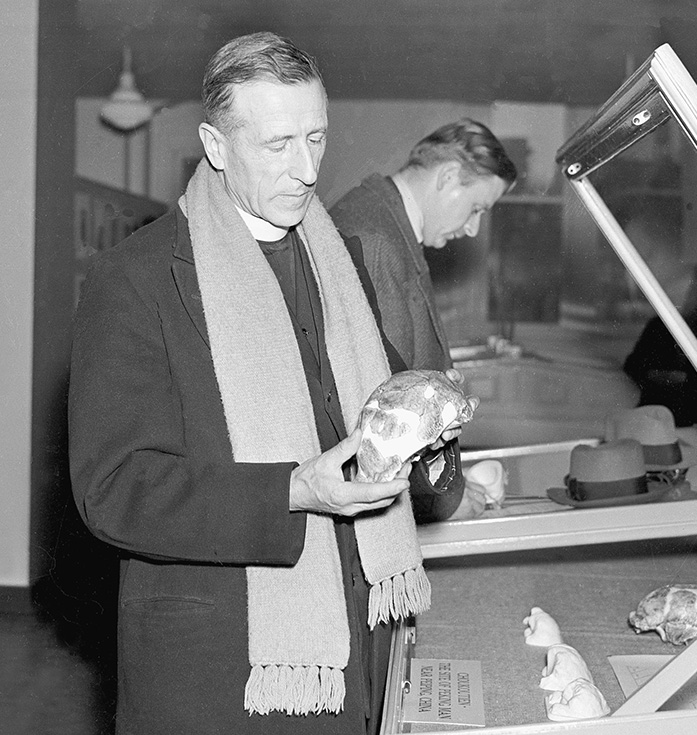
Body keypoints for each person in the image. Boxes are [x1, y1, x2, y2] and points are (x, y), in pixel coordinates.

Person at [68, 32, 474, 735]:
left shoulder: (337, 259)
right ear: (217, 146)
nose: (308, 168)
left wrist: (427, 433)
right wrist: (291, 490)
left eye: (316, 138)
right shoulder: (133, 279)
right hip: (221, 677)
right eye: (279, 145)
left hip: (355, 652)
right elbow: (114, 490)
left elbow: (374, 421)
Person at [329, 119, 518, 373]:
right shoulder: (376, 242)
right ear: (448, 176)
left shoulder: (390, 225)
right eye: (476, 209)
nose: (473, 229)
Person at [623, 265, 697, 426]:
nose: (684, 296)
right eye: (679, 290)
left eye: (690, 289)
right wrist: (655, 375)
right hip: (657, 414)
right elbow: (632, 365)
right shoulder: (658, 325)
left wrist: (686, 379)